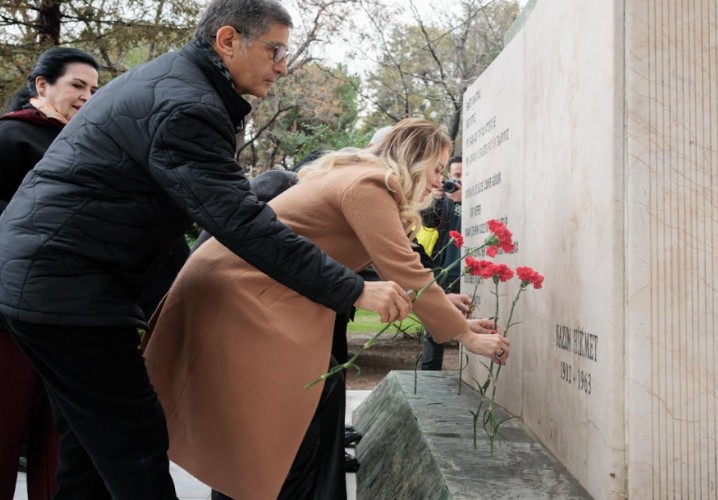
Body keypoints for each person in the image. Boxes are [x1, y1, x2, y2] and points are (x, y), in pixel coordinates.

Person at [0, 0, 410, 498]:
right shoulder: (186, 104)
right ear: (228, 40)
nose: (283, 65)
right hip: (65, 288)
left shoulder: (180, 85)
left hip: (51, 281)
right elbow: (239, 222)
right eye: (275, 50)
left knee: (93, 449)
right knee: (136, 443)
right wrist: (350, 290)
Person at [143, 118, 511, 499]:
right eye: (436, 168)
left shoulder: (356, 176)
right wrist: (464, 334)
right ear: (414, 158)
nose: (440, 181)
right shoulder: (372, 183)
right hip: (244, 297)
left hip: (243, 292)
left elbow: (354, 256)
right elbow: (403, 268)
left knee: (275, 430)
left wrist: (442, 305)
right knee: (285, 429)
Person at [0, 46, 99, 500]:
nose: (87, 96)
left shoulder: (87, 145)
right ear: (42, 85)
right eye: (77, 85)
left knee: (60, 444)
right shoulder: (10, 138)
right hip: (10, 316)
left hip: (72, 314)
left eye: (93, 89)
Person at [420, 155, 465, 370]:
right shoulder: (444, 198)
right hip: (443, 267)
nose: (458, 181)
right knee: (433, 321)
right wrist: (437, 199)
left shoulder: (475, 200)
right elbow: (428, 222)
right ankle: (429, 370)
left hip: (466, 268)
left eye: (464, 176)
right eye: (456, 176)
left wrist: (463, 201)